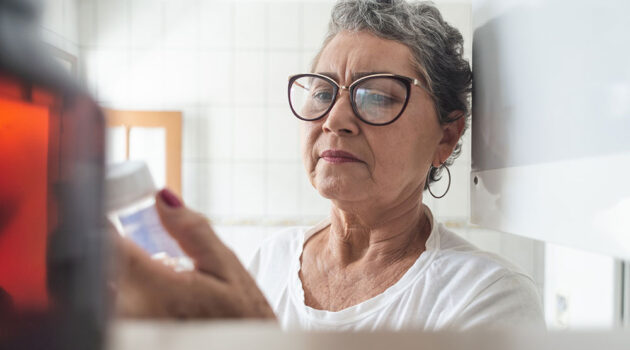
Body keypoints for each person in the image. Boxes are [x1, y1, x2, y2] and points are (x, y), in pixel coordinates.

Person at [113, 0, 545, 331]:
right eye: (322, 92)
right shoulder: (272, 260)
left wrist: (257, 332)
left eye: (377, 96)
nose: (335, 120)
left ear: (446, 136)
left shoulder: (485, 298)